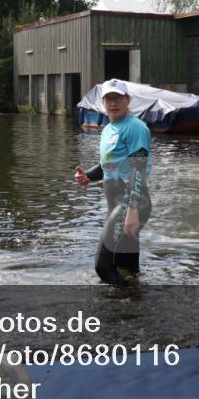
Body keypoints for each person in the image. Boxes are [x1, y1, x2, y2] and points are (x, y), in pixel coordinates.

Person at [74, 79, 153, 285]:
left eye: (118, 98)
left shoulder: (136, 128)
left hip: (131, 201)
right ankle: (132, 305)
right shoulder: (109, 128)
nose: (113, 103)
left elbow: (139, 168)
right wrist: (88, 176)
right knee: (126, 266)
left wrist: (132, 210)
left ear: (128, 100)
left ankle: (123, 303)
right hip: (117, 203)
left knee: (103, 267)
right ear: (103, 103)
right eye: (108, 99)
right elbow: (107, 166)